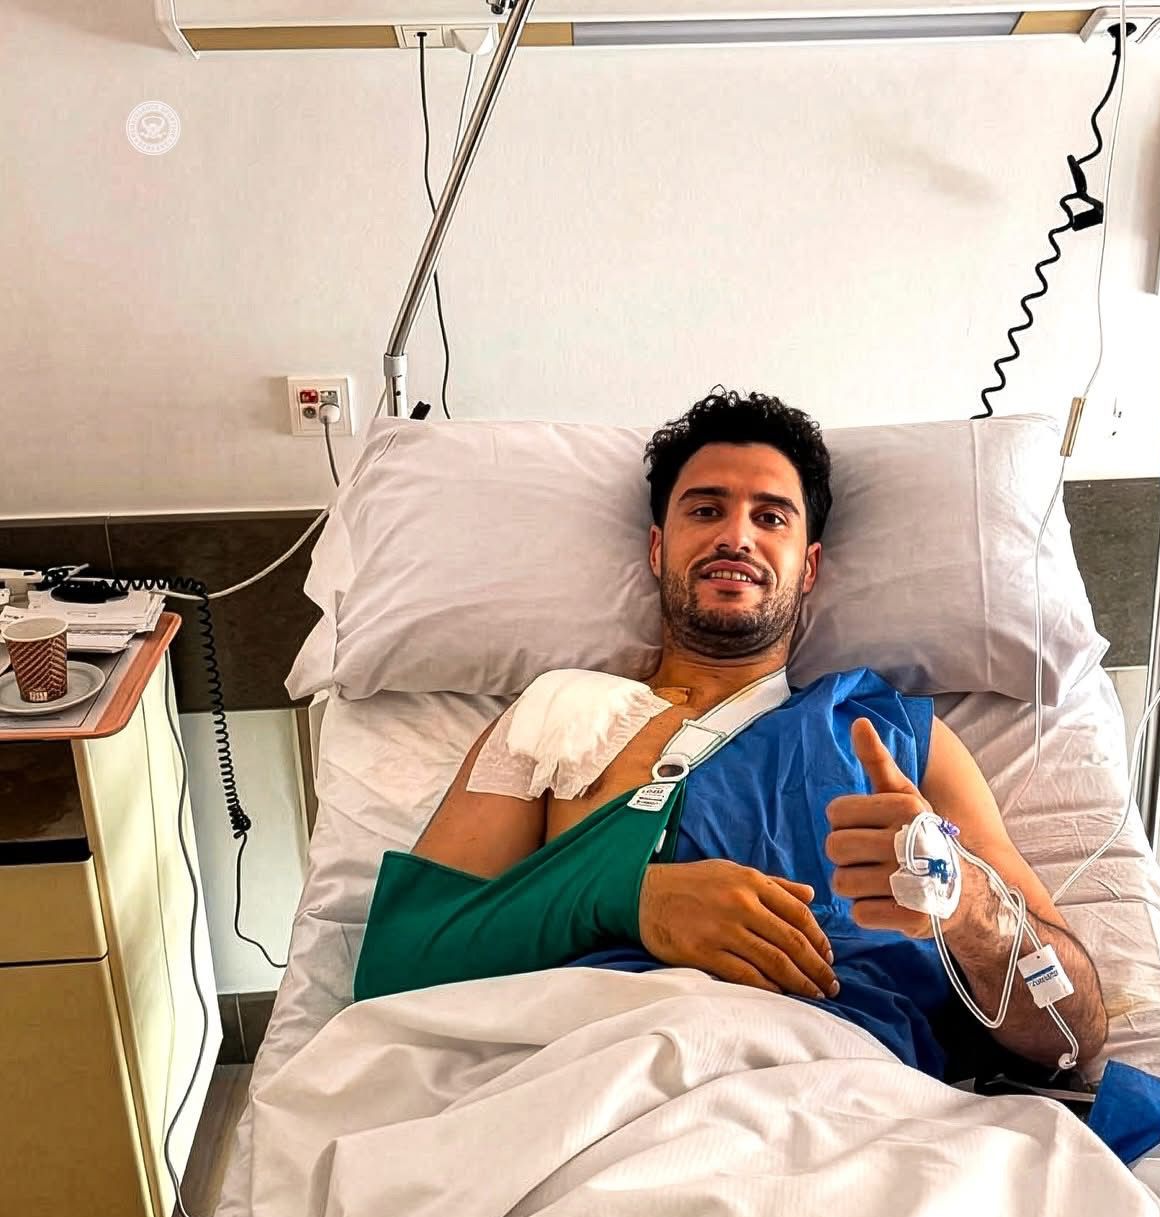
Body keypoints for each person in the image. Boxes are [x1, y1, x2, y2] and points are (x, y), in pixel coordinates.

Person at [401, 388, 1106, 1079]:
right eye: (705, 510)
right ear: (657, 549)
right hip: (602, 1071)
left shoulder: (897, 737)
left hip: (847, 1091)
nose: (735, 536)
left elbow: (1072, 1036)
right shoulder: (553, 715)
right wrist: (628, 899)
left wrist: (968, 904)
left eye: (771, 518)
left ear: (809, 567)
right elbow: (406, 961)